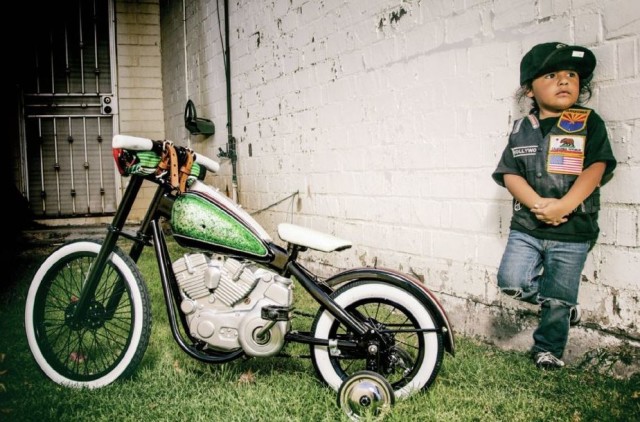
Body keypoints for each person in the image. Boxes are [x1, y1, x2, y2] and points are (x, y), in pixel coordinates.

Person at [491, 42, 617, 370]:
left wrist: (564, 205)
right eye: (551, 74)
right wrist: (538, 205)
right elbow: (509, 175)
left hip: (573, 230)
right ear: (530, 89)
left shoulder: (587, 121)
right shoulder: (521, 130)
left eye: (571, 75)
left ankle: (548, 349)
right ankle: (561, 307)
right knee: (512, 281)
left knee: (560, 296)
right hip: (529, 227)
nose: (564, 81)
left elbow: (597, 168)